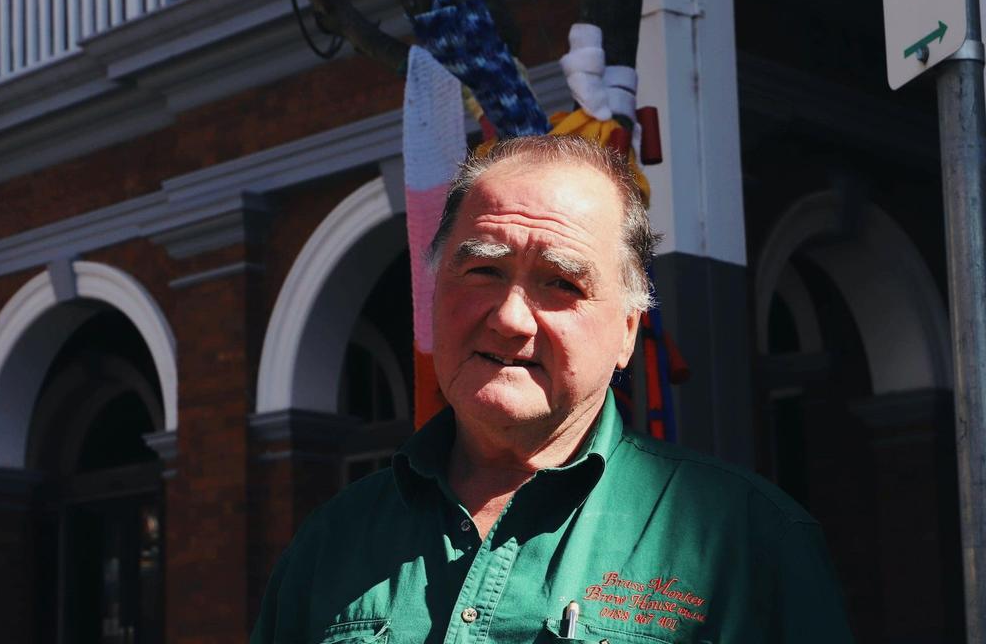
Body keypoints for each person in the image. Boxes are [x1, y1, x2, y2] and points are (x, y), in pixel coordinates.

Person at [251, 135, 853, 643]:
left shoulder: (753, 542)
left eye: (561, 283)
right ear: (435, 297)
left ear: (626, 331)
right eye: (483, 269)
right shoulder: (329, 544)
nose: (510, 317)